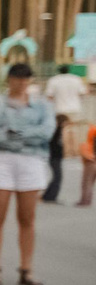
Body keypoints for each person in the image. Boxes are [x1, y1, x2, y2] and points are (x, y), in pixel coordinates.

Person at [0, 61, 55, 285]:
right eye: (17, 79)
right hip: (2, 160)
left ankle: (26, 268)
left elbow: (46, 132)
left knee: (27, 218)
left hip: (31, 160)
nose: (21, 83)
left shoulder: (41, 106)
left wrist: (14, 134)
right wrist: (26, 136)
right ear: (9, 80)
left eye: (25, 79)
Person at [42, 61, 84, 205]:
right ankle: (73, 152)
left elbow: (49, 96)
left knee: (61, 133)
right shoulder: (76, 79)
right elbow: (82, 93)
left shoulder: (54, 80)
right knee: (73, 132)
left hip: (60, 108)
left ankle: (65, 151)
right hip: (74, 107)